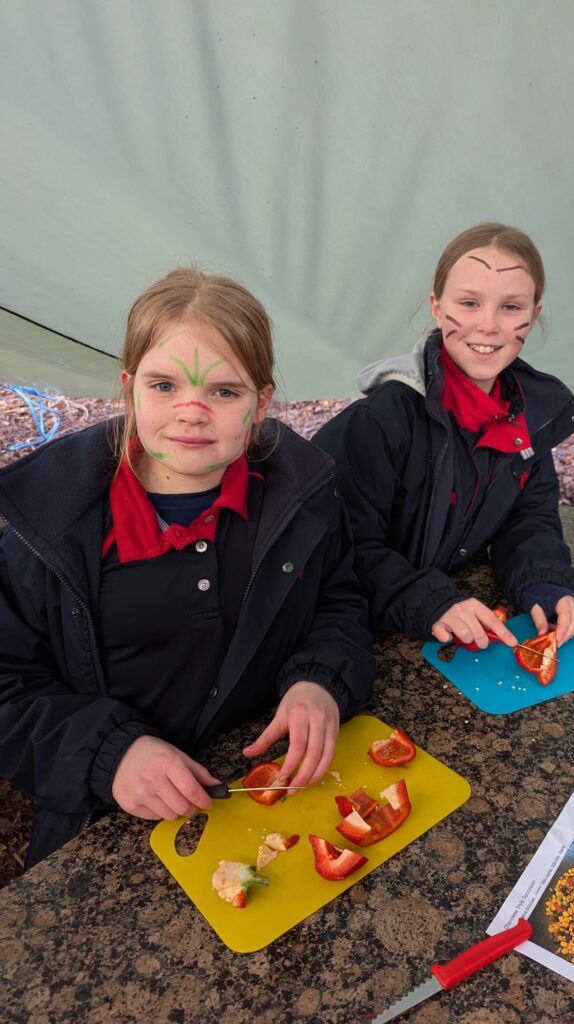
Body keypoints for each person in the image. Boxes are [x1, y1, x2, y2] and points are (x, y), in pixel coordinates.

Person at [0, 268, 374, 867]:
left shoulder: (304, 502)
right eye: (165, 385)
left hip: (267, 795)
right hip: (109, 819)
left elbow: (339, 600)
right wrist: (108, 755)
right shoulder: (48, 529)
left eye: (224, 391)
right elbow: (7, 688)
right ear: (129, 388)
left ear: (262, 403)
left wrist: (319, 678)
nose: (192, 411)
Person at [314, 223, 574, 653]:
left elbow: (528, 517)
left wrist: (543, 579)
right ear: (437, 307)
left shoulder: (525, 420)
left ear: (533, 316)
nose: (489, 325)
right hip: (347, 634)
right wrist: (428, 599)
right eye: (469, 302)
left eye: (511, 307)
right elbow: (337, 545)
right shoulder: (380, 423)